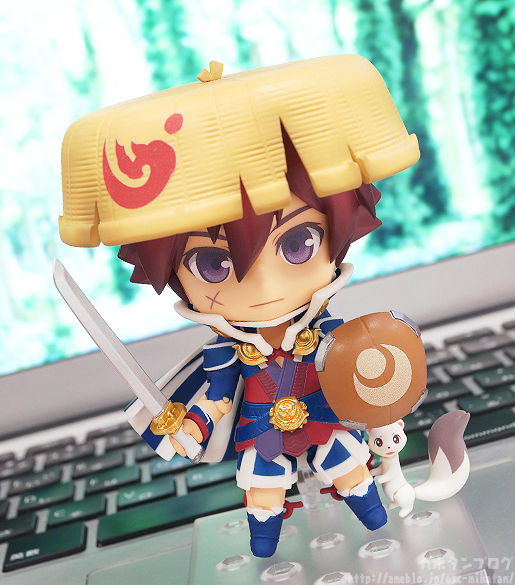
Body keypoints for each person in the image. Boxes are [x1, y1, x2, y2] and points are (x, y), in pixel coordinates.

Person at [59, 55, 421, 557]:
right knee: (263, 496)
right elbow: (218, 398)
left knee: (354, 475)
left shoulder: (328, 332)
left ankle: (380, 525)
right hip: (263, 431)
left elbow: (364, 372)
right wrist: (192, 425)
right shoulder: (226, 354)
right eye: (213, 264)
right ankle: (267, 550)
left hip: (325, 417)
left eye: (298, 243)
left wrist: (382, 413)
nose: (264, 284)